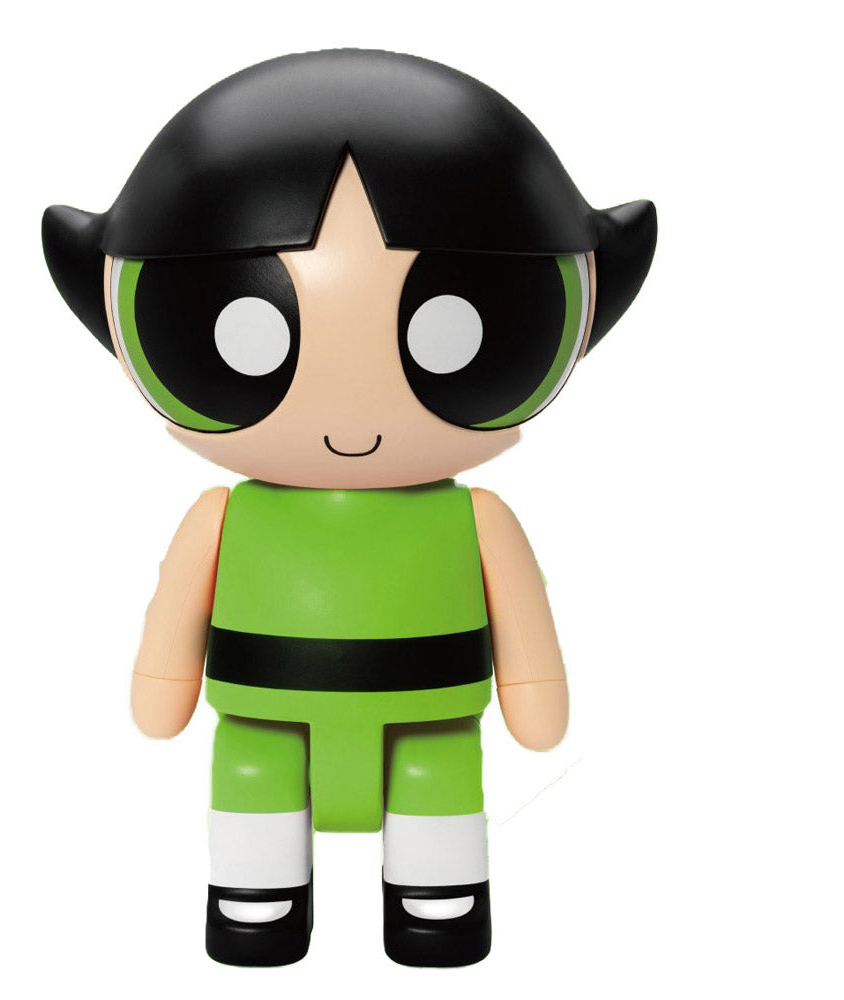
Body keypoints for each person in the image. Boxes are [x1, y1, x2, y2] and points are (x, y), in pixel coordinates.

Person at [42, 48, 656, 967]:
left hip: (431, 719)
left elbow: (524, 632)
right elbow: (174, 634)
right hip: (262, 719)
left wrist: (533, 697)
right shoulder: (224, 515)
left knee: (436, 775)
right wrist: (163, 685)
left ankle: (436, 902)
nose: (352, 424)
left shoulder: (475, 518)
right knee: (252, 770)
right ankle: (258, 901)